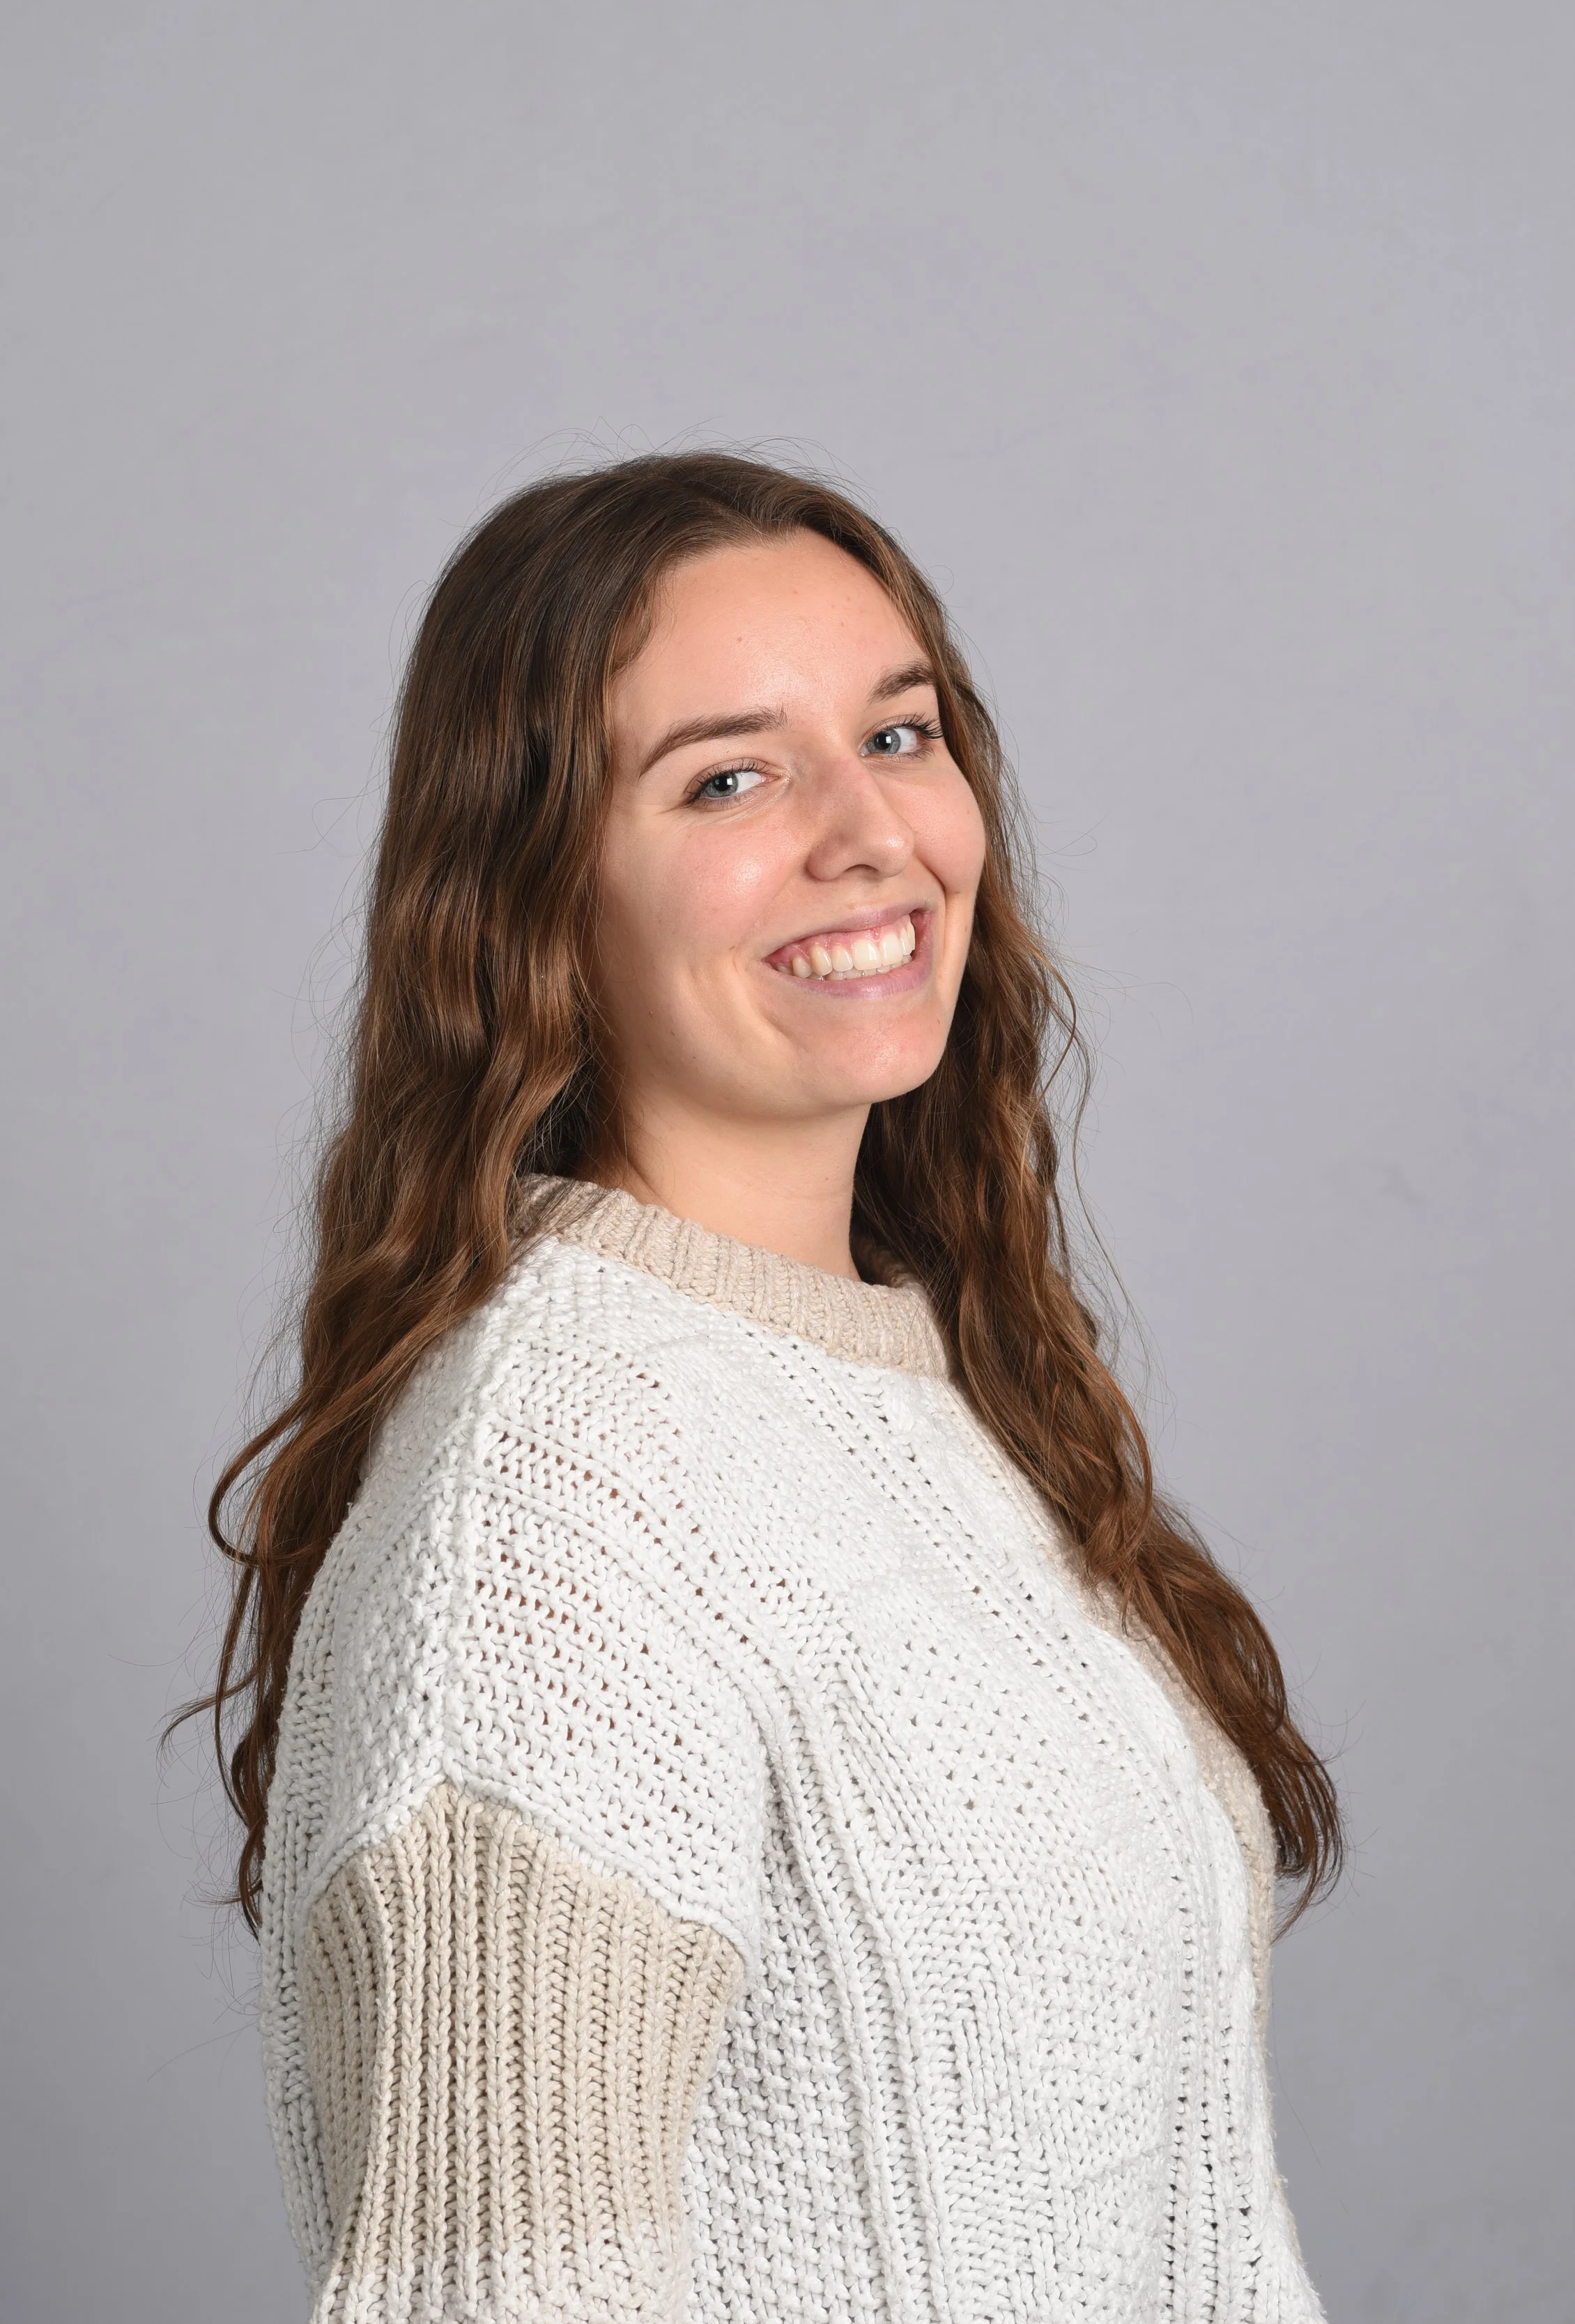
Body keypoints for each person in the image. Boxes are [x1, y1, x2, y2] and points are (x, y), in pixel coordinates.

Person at [193, 451, 1339, 2321]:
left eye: (897, 736)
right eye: (728, 777)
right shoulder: (562, 1488)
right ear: (535, 894)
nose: (869, 836)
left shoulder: (927, 1390)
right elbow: (504, 2294)